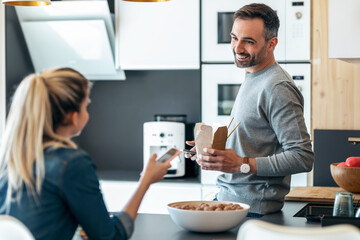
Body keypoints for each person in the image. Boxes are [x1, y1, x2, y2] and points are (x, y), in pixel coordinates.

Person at [0, 68, 171, 240]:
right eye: (86, 106)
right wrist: (146, 181)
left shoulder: (11, 158)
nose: (87, 112)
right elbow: (110, 237)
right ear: (73, 117)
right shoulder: (72, 164)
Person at [186, 3, 314, 216]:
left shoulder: (277, 87)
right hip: (230, 201)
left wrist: (242, 164)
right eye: (235, 37)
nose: (237, 48)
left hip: (254, 211)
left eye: (249, 41)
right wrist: (210, 150)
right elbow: (255, 139)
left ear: (271, 44)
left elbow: (302, 157)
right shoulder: (253, 75)